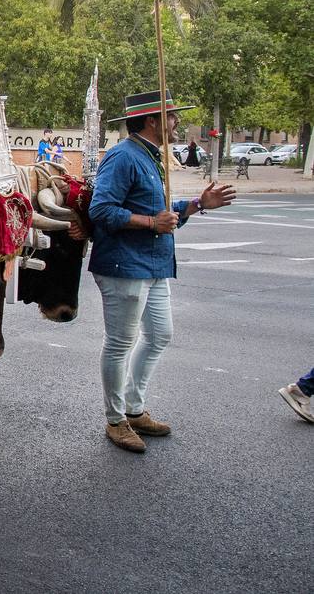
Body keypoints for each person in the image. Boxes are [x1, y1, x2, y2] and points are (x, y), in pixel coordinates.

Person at [89, 90, 236, 453]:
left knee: (159, 335)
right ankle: (116, 419)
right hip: (124, 264)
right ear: (152, 121)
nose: (176, 121)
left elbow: (163, 214)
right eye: (171, 116)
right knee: (120, 343)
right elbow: (101, 210)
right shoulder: (123, 156)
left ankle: (135, 408)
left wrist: (198, 204)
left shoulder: (153, 156)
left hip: (155, 264)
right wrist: (150, 222)